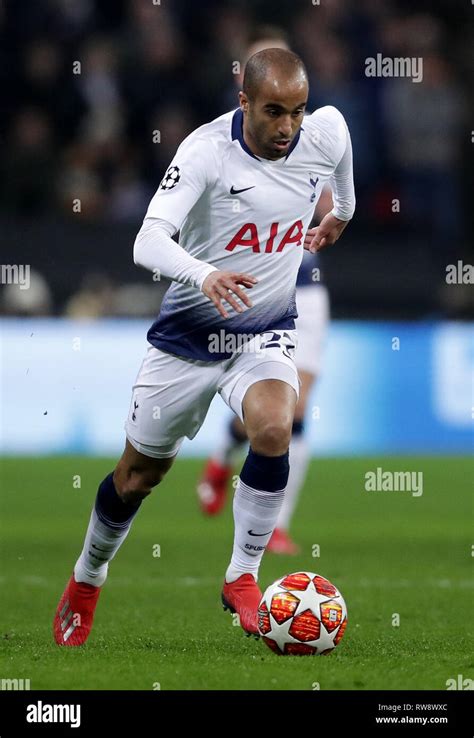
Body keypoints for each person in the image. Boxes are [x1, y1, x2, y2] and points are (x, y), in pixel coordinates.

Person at [53, 48, 355, 645]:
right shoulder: (204, 152)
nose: (287, 127)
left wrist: (339, 214)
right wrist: (203, 275)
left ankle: (242, 576)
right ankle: (87, 578)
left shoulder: (326, 132)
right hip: (187, 341)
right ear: (243, 101)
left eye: (296, 112)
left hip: (263, 332)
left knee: (274, 427)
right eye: (273, 111)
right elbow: (147, 241)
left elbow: (340, 165)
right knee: (139, 475)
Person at [197, 30, 332, 556]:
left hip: (309, 283)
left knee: (296, 407)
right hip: (256, 290)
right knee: (277, 409)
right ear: (245, 81)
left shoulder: (314, 134)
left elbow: (327, 202)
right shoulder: (219, 140)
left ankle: (270, 516)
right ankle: (229, 464)